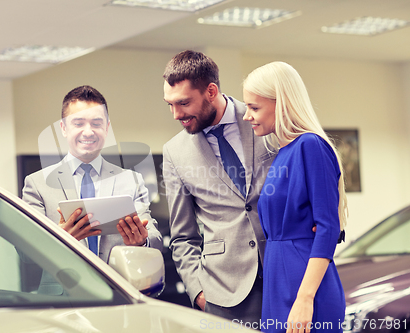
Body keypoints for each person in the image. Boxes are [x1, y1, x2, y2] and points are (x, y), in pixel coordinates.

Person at [162, 50, 276, 325]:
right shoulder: (174, 152)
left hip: (285, 273)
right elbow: (182, 236)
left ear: (211, 91)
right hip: (224, 294)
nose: (176, 114)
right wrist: (198, 291)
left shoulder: (263, 118)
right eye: (170, 104)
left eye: (184, 103)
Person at [242, 61, 347, 333]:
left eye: (254, 107)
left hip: (305, 286)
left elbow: (328, 227)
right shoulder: (283, 153)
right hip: (278, 281)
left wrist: (304, 299)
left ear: (282, 104)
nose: (247, 116)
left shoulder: (310, 146)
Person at [22, 85, 163, 267]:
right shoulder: (37, 184)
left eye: (96, 123)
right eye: (78, 123)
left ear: (107, 128)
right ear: (63, 128)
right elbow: (26, 251)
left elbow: (156, 240)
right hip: (64, 292)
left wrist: (142, 242)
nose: (88, 132)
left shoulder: (131, 180)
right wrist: (58, 239)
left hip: (120, 290)